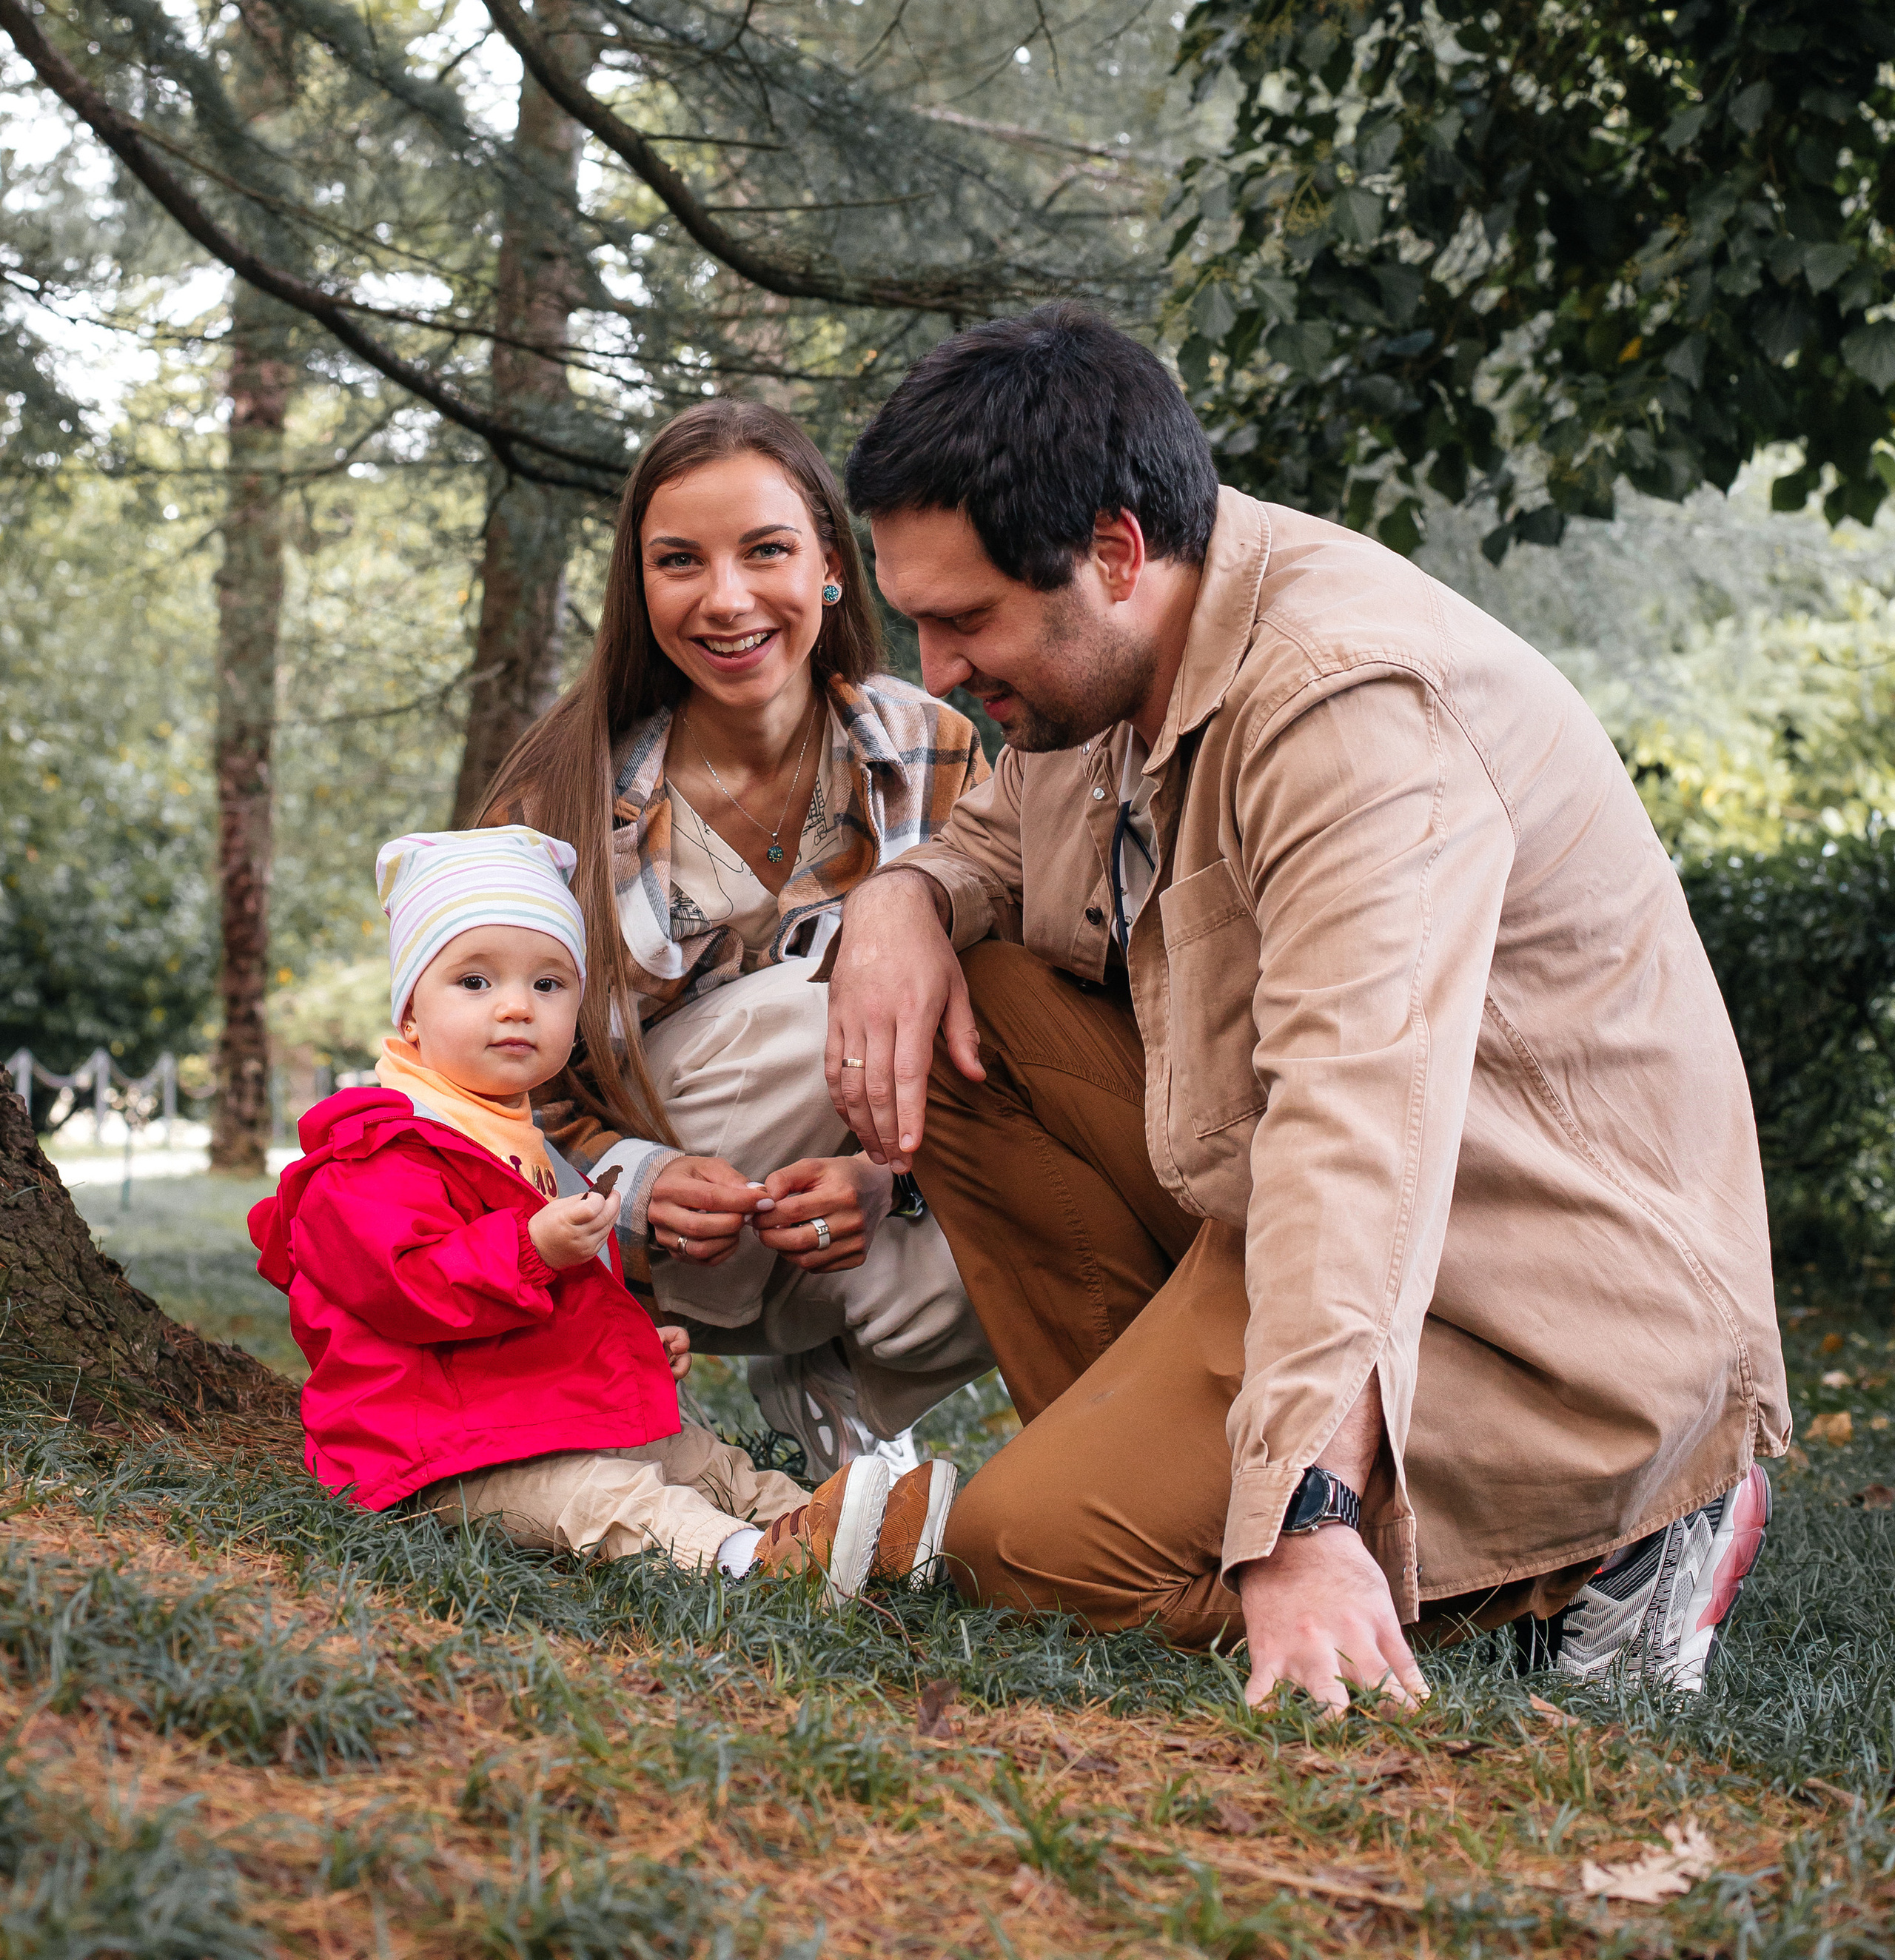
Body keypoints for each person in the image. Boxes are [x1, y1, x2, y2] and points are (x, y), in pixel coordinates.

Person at [826, 304, 1790, 1705]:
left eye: (963, 620)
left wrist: (1305, 1519)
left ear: (1113, 553)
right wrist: (898, 902)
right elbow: (995, 846)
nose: (936, 674)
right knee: (962, 997)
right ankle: (1180, 1479)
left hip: (1523, 1288)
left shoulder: (1347, 707)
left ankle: (1620, 1541)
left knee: (1015, 1555)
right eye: (915, 618)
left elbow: (1362, 1124)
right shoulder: (1105, 658)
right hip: (1271, 1205)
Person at [482, 400, 994, 1477]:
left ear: (830, 566)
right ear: (641, 588)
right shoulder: (557, 800)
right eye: (680, 562)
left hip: (859, 1213)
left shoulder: (934, 749)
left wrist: (882, 1178)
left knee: (1058, 1197)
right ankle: (632, 1381)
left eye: (767, 551)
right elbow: (476, 1079)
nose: (726, 599)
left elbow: (1010, 1008)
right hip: (633, 1244)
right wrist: (635, 1180)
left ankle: (842, 1387)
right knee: (831, 998)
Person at [249, 825, 958, 1597]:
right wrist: (532, 1250)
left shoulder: (529, 1142)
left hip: (528, 1409)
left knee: (699, 1456)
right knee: (610, 1499)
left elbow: (558, 1297)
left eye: (548, 985)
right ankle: (752, 1563)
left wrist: (628, 1339)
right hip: (435, 1448)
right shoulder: (373, 1150)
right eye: (475, 983)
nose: (517, 1007)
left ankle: (852, 1531)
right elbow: (404, 1285)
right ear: (411, 1013)